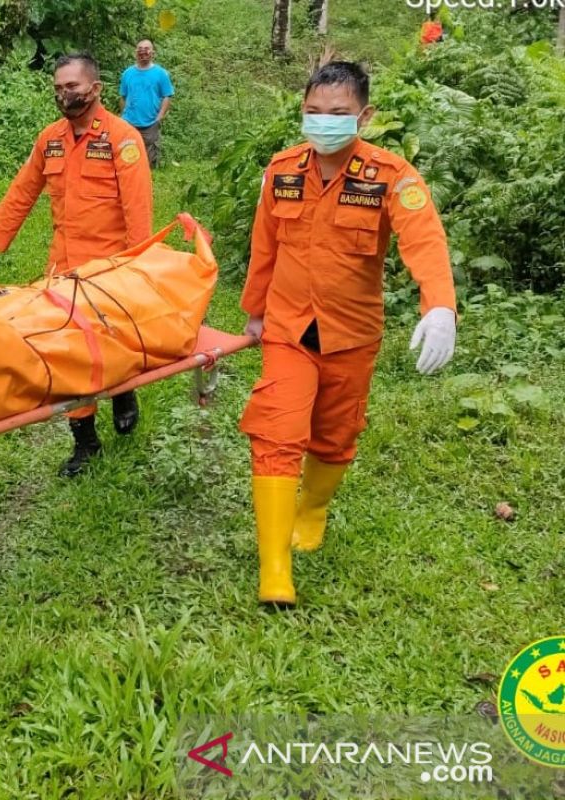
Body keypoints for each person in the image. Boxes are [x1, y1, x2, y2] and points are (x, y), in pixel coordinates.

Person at [240, 61, 457, 607]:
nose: (323, 123)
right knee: (276, 431)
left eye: (337, 114)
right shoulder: (283, 169)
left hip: (351, 333)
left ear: (365, 115)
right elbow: (264, 245)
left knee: (335, 436)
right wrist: (255, 311)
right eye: (313, 112)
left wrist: (440, 307)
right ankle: (274, 571)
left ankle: (311, 511)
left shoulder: (391, 176)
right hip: (289, 327)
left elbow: (423, 240)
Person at [0, 52, 153, 478]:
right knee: (71, 356)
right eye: (57, 88)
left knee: (115, 343)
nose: (63, 95)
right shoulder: (50, 139)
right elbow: (23, 190)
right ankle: (85, 441)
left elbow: (137, 210)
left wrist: (136, 266)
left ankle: (124, 393)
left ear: (95, 88)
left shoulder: (122, 139)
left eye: (71, 86)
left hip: (108, 270)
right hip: (63, 269)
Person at [118, 40, 174, 169]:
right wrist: (123, 115)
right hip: (129, 121)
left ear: (153, 52)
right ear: (136, 52)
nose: (143, 51)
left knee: (149, 161)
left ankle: (148, 182)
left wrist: (159, 117)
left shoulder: (161, 73)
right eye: (140, 49)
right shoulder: (127, 73)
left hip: (150, 122)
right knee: (127, 155)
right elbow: (123, 96)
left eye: (147, 48)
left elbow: (167, 96)